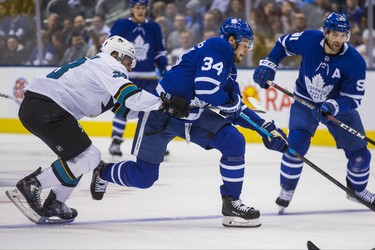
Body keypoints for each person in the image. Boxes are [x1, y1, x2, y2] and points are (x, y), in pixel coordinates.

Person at [90, 17, 289, 228]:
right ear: (231, 40)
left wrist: (267, 130)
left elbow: (236, 110)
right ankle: (103, 172)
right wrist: (229, 103)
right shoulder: (218, 45)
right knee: (144, 177)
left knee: (234, 141)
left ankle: (231, 204)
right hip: (161, 112)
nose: (246, 50)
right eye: (245, 44)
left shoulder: (229, 69)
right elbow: (205, 88)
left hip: (193, 115)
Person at [5, 35, 189, 224]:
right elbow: (130, 96)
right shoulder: (108, 65)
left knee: (78, 157)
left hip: (42, 108)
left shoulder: (99, 70)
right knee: (88, 157)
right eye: (128, 60)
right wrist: (164, 103)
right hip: (47, 108)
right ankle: (34, 184)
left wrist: (157, 111)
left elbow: (124, 108)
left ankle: (56, 203)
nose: (131, 66)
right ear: (115, 54)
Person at [253, 12, 375, 213]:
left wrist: (333, 106)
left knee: (361, 156)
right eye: (334, 34)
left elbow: (353, 98)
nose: (338, 40)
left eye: (342, 35)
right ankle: (287, 188)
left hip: (336, 109)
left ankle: (358, 190)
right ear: (325, 31)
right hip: (304, 102)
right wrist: (270, 64)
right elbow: (283, 44)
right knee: (295, 147)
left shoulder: (355, 61)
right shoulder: (310, 39)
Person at [107, 0, 168, 158]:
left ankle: (154, 143)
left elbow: (159, 51)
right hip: (127, 76)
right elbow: (110, 48)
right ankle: (116, 141)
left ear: (147, 9)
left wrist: (164, 68)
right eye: (137, 8)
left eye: (143, 8)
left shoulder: (154, 27)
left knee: (154, 110)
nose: (140, 11)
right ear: (132, 9)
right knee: (122, 108)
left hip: (149, 77)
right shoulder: (121, 25)